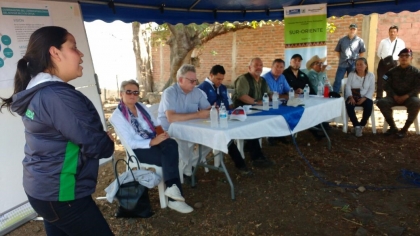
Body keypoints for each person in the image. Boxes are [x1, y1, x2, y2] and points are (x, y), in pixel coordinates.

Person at [0, 26, 114, 235]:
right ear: (55, 52)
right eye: (73, 47)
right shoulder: (57, 96)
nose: (80, 55)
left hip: (41, 189)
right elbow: (98, 146)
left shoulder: (36, 91)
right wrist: (106, 141)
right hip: (62, 194)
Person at [111, 80, 193, 214]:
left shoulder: (141, 107)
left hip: (153, 141)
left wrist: (162, 135)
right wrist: (152, 142)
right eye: (129, 92)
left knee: (171, 144)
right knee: (168, 155)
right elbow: (130, 142)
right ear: (121, 94)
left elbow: (156, 124)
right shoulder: (117, 116)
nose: (132, 95)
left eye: (136, 92)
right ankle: (174, 198)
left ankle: (172, 190)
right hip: (138, 149)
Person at [158, 64, 212, 183]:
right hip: (168, 130)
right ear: (180, 80)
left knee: (211, 139)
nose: (194, 83)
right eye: (191, 81)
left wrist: (212, 110)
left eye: (195, 80)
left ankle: (189, 164)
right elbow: (171, 118)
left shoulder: (197, 92)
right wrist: (198, 114)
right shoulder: (170, 93)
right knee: (184, 141)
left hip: (191, 128)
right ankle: (187, 172)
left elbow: (208, 109)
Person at [197, 65, 253, 174]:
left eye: (222, 79)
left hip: (227, 117)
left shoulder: (223, 88)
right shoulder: (201, 89)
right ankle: (240, 164)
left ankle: (254, 154)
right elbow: (203, 109)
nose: (220, 81)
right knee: (227, 137)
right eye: (218, 79)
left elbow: (230, 104)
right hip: (211, 122)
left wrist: (237, 112)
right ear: (211, 75)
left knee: (246, 126)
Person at [232, 58, 273, 167]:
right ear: (249, 68)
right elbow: (242, 96)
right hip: (242, 111)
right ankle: (257, 157)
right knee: (252, 126)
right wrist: (256, 102)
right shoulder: (243, 79)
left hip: (257, 110)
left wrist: (277, 97)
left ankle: (250, 146)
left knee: (271, 120)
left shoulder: (263, 80)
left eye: (261, 65)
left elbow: (269, 94)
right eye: (256, 65)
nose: (259, 67)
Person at [377, 48, 420, 138]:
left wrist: (407, 96)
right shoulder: (391, 71)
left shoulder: (416, 72)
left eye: (407, 56)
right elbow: (385, 83)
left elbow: (418, 87)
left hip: (409, 98)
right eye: (401, 56)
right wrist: (393, 95)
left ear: (411, 58)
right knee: (381, 102)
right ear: (399, 58)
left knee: (417, 102)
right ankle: (393, 127)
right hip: (393, 97)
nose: (404, 58)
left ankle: (404, 129)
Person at [261, 59, 291, 145]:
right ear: (272, 67)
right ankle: (271, 136)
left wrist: (289, 94)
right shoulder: (266, 78)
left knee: (288, 112)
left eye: (281, 67)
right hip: (268, 104)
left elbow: (288, 90)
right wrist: (286, 96)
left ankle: (281, 135)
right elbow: (271, 95)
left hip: (280, 102)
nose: (278, 69)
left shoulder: (282, 77)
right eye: (276, 66)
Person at [344, 58, 375, 137]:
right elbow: (348, 86)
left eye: (361, 64)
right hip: (353, 96)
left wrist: (364, 98)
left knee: (369, 104)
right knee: (349, 104)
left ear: (366, 65)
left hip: (365, 97)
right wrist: (350, 97)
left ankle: (361, 125)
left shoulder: (371, 75)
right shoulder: (352, 74)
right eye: (357, 65)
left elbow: (372, 88)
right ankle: (356, 125)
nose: (359, 66)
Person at [332, 24, 366, 93]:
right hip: (343, 63)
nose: (352, 31)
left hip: (353, 64)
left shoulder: (360, 41)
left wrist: (358, 62)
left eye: (354, 29)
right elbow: (337, 51)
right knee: (338, 79)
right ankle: (334, 95)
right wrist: (341, 58)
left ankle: (350, 96)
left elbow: (362, 52)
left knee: (352, 81)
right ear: (349, 29)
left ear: (356, 30)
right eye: (351, 29)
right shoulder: (342, 40)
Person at [376, 25, 406, 100]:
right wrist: (383, 60)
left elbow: (402, 54)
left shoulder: (401, 42)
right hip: (383, 63)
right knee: (381, 79)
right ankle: (379, 97)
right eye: (391, 31)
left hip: (394, 64)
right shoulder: (383, 41)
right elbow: (379, 52)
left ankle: (391, 97)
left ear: (397, 33)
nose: (392, 33)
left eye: (394, 32)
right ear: (389, 32)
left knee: (393, 80)